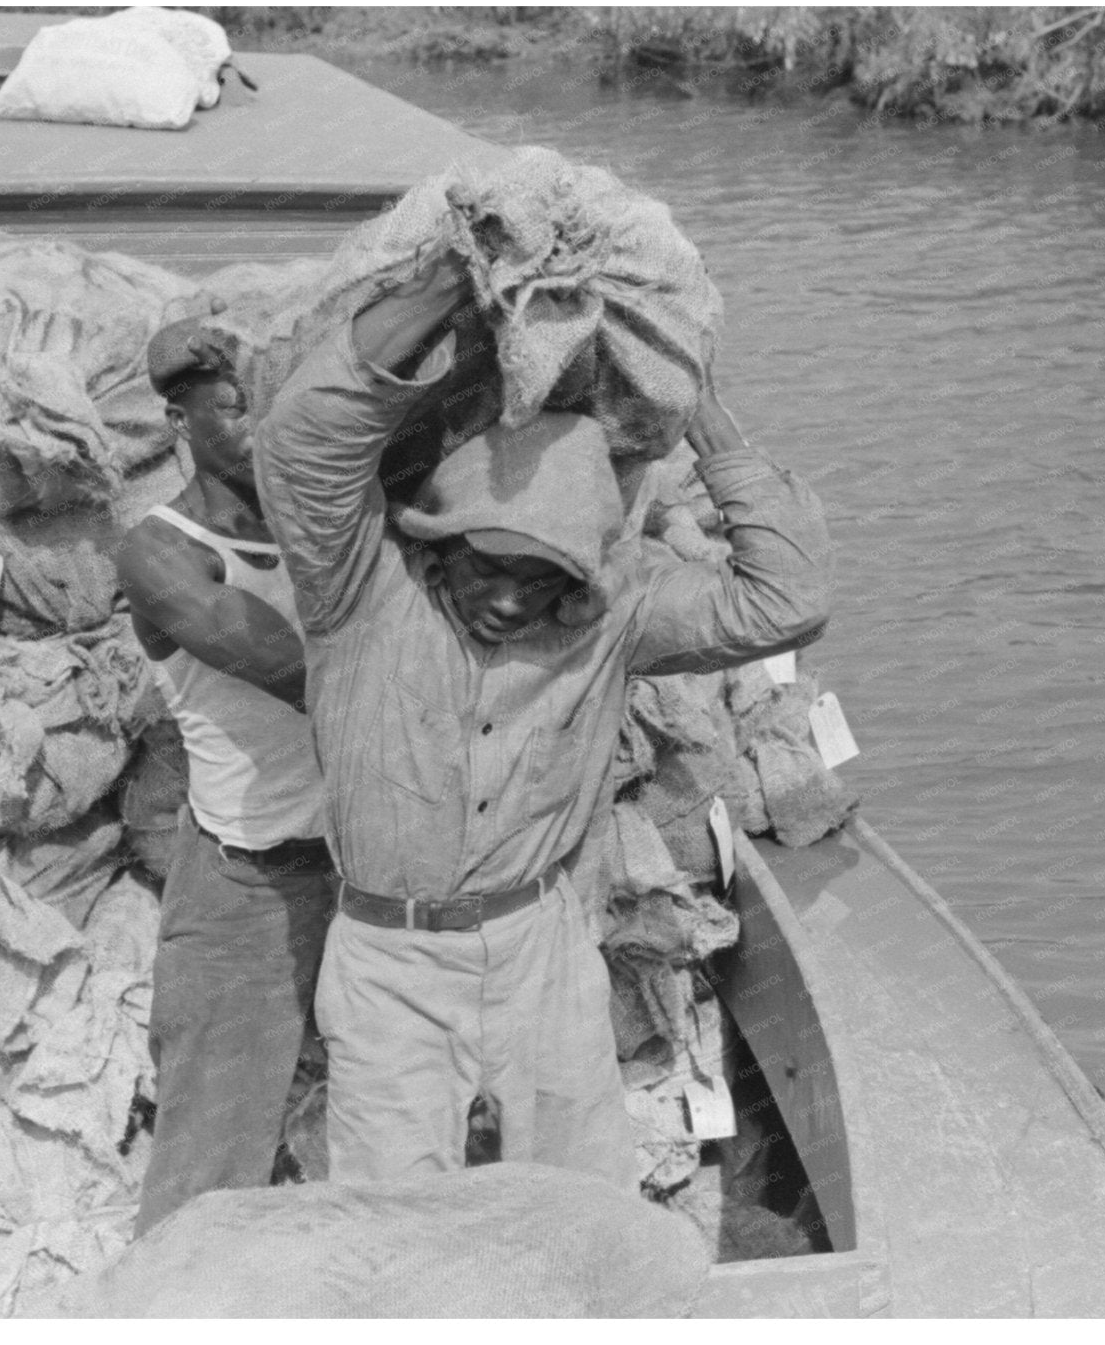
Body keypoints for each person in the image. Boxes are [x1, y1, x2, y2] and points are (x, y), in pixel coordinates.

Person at [252, 250, 831, 1186]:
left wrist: (701, 413)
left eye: (545, 581)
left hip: (542, 952)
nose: (514, 604)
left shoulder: (617, 614)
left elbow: (788, 600)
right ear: (439, 541)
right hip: (388, 965)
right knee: (398, 1228)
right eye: (490, 567)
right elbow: (304, 440)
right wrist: (456, 270)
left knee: (579, 1208)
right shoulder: (359, 589)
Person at [118, 332, 333, 1234]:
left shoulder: (327, 524)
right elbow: (297, 674)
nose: (262, 427)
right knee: (207, 1169)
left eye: (275, 404)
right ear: (181, 420)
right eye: (240, 406)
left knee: (375, 1144)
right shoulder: (159, 551)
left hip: (365, 874)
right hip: (252, 887)